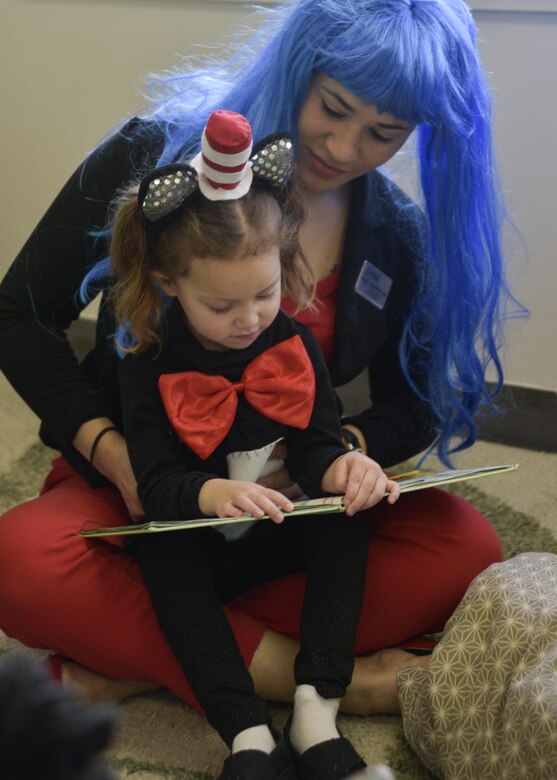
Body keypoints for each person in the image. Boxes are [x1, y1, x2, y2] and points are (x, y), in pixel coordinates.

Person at [0, 0, 514, 725]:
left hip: (282, 503)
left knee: (464, 544)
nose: (341, 146)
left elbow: (414, 406)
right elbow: (17, 315)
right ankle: (317, 679)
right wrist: (113, 454)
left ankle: (146, 656)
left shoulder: (394, 232)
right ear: (297, 68)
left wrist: (338, 456)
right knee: (19, 559)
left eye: (383, 133)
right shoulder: (154, 155)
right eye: (332, 108)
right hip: (146, 486)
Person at [109, 107, 401, 780]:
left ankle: (315, 713)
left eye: (265, 294)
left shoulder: (292, 345)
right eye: (221, 307)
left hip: (276, 535)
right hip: (202, 539)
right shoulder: (145, 367)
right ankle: (246, 734)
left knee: (347, 522)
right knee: (161, 552)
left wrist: (346, 467)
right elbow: (154, 486)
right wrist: (213, 492)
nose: (248, 320)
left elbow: (316, 450)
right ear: (167, 283)